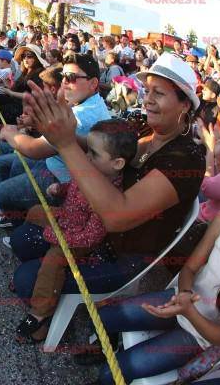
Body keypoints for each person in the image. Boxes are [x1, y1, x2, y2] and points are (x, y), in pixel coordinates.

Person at [79, 140, 220, 384]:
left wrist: (188, 309)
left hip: (200, 336)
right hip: (179, 299)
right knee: (102, 317)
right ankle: (109, 345)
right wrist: (184, 296)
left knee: (112, 372)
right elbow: (190, 268)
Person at [15, 52, 205, 300]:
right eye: (147, 91)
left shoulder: (186, 158)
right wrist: (60, 132)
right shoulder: (144, 128)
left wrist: (65, 144)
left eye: (158, 93)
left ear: (185, 104)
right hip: (93, 228)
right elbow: (103, 150)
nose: (147, 100)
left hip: (124, 255)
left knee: (25, 278)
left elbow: (117, 217)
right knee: (22, 240)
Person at [11, 119, 138, 343]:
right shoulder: (93, 172)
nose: (87, 157)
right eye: (87, 150)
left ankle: (41, 314)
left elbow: (91, 237)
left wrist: (55, 236)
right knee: (35, 211)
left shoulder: (109, 195)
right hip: (67, 217)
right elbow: (76, 184)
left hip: (79, 239)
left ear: (117, 163)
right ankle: (30, 277)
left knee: (54, 260)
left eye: (94, 154)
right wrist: (61, 188)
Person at [0, 53, 110, 227]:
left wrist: (9, 133)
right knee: (11, 163)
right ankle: (21, 210)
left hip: (62, 180)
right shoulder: (88, 101)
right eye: (63, 76)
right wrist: (34, 123)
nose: (64, 82)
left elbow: (34, 149)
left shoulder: (83, 114)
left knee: (1, 190)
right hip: (55, 161)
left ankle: (20, 223)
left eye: (71, 78)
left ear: (93, 83)